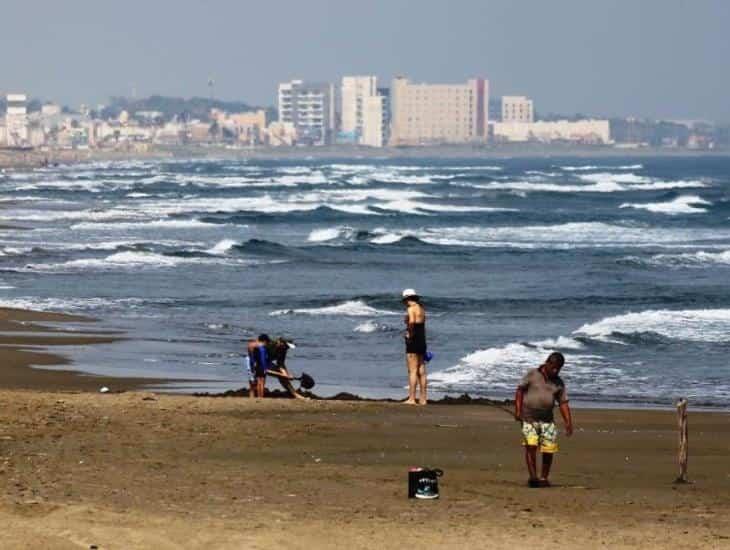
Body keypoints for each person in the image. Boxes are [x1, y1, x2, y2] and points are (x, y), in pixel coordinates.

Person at [514, 352, 574, 488]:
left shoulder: (559, 383)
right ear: (547, 363)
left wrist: (568, 422)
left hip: (547, 420)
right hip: (528, 418)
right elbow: (520, 391)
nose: (556, 370)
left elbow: (563, 403)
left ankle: (544, 478)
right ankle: (533, 477)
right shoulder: (532, 374)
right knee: (531, 446)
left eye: (559, 368)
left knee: (548, 450)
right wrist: (518, 411)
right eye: (553, 367)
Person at [402, 288, 428, 405]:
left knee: (412, 370)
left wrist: (409, 334)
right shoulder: (422, 309)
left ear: (407, 298)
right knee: (421, 370)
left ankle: (412, 398)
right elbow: (420, 324)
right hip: (422, 340)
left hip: (413, 341)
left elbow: (412, 322)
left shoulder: (411, 309)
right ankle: (423, 399)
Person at [248, 334, 272, 398]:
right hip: (262, 366)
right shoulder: (262, 348)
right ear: (265, 341)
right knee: (262, 381)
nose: (267, 344)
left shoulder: (254, 347)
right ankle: (261, 396)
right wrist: (265, 368)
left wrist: (253, 365)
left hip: (257, 365)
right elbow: (263, 358)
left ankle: (258, 396)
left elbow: (253, 357)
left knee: (258, 381)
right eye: (267, 342)